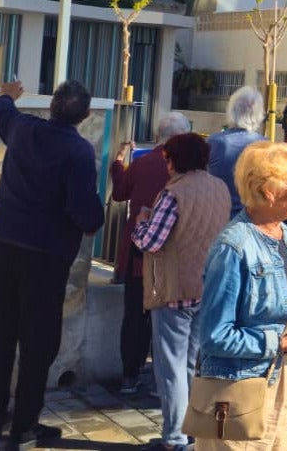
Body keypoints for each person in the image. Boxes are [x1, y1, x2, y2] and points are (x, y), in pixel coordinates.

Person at [0, 80, 105, 446]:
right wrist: (97, 217)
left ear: (51, 106)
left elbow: (2, 112)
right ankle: (24, 425)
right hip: (46, 255)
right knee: (38, 342)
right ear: (85, 115)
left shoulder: (23, 129)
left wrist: (7, 94)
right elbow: (85, 212)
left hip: (3, 242)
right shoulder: (78, 151)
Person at [196, 142, 287, 450]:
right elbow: (214, 336)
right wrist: (282, 343)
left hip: (283, 381)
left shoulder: (285, 234)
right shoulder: (233, 248)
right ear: (269, 191)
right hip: (239, 390)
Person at [132, 133, 232, 451]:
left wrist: (140, 222)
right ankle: (190, 432)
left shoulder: (173, 194)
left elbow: (151, 242)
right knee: (190, 364)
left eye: (167, 159)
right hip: (208, 287)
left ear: (174, 160)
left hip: (173, 290)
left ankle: (175, 437)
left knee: (170, 368)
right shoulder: (220, 188)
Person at [109, 111, 191, 394]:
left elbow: (119, 193)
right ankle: (161, 381)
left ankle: (129, 377)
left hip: (139, 256)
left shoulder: (143, 163)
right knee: (167, 321)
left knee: (134, 317)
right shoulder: (189, 172)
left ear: (158, 136)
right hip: (173, 258)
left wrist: (118, 163)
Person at [208, 87, 267, 217]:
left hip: (218, 217)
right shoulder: (267, 146)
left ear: (231, 110)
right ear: (259, 114)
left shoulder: (215, 142)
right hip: (254, 219)